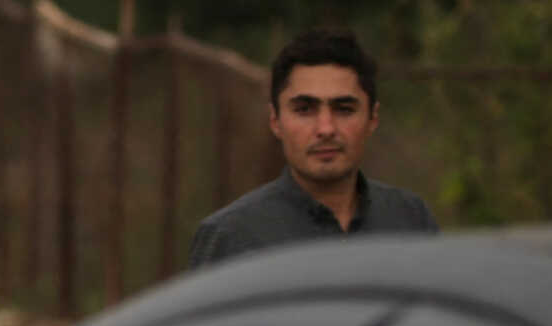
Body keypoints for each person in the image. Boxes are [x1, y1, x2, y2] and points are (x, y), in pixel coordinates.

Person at [187, 28, 437, 268]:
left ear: (373, 118)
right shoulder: (232, 237)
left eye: (344, 109)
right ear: (275, 121)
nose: (326, 128)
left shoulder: (410, 220)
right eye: (304, 110)